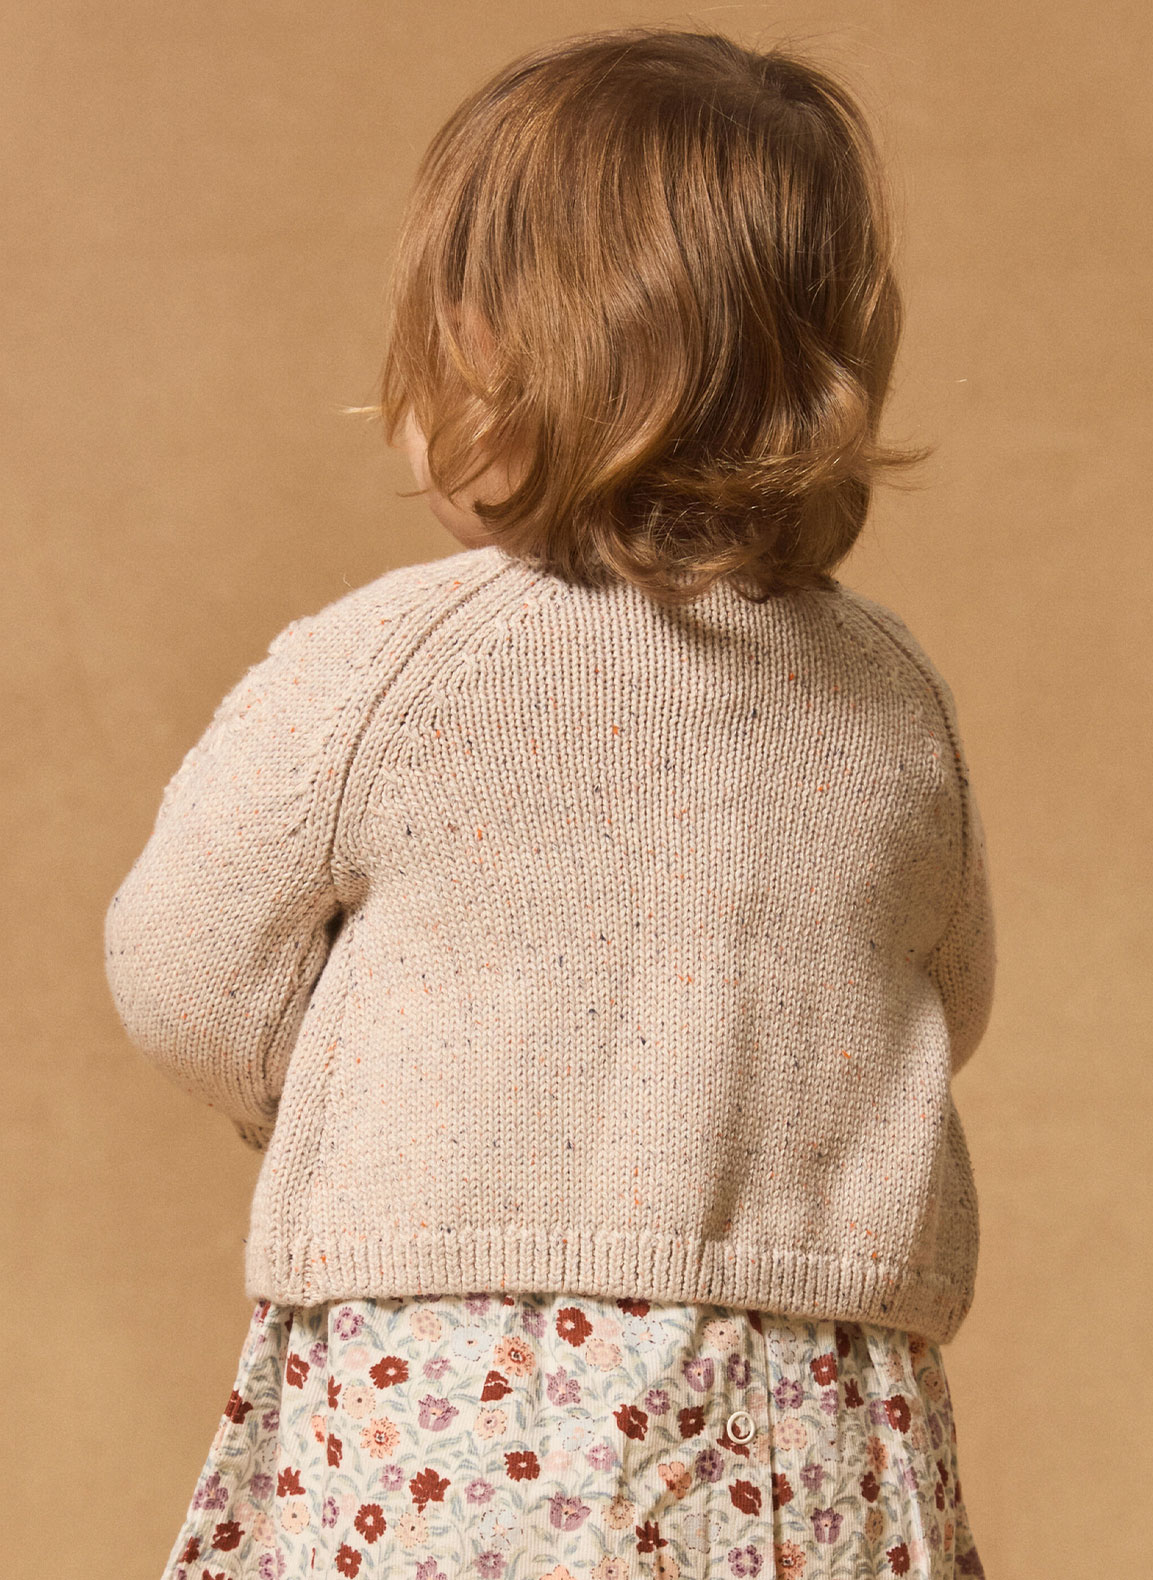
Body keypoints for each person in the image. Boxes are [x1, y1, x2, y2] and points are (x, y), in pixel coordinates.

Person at [104, 24, 996, 1580]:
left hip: (458, 1404)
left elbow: (181, 969)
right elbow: (940, 1002)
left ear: (482, 348)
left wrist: (382, 1081)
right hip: (814, 1420)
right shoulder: (889, 697)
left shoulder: (390, 667)